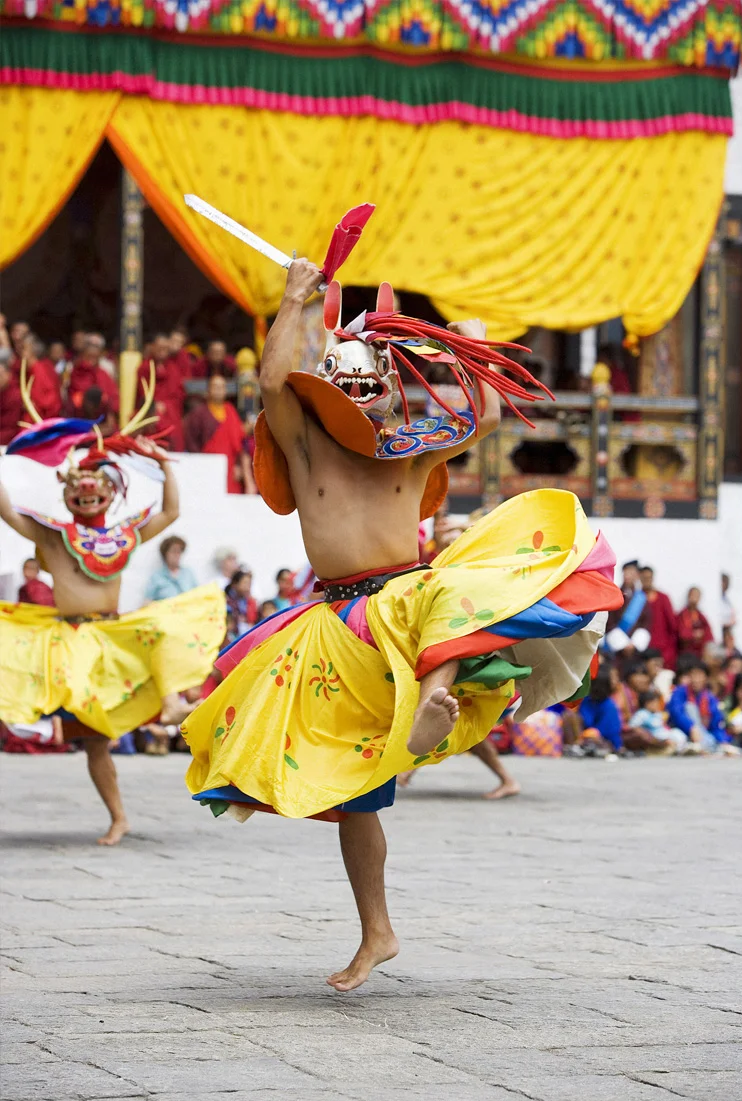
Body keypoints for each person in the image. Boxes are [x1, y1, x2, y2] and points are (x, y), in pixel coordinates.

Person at [181, 249, 621, 991]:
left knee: (448, 588)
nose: (358, 390)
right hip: (334, 622)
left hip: (407, 604)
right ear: (327, 384)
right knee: (357, 801)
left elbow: (482, 415)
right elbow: (268, 383)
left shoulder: (409, 455)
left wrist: (471, 343)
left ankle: (431, 700)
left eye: (370, 379)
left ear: (390, 388)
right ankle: (376, 930)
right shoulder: (307, 441)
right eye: (343, 378)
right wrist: (294, 300)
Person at [0, 431, 224, 844]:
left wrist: (162, 466)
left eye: (95, 489)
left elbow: (170, 512)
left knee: (160, 631)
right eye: (79, 490)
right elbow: (9, 512)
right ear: (68, 493)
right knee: (90, 739)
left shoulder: (124, 534)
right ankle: (64, 747)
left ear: (109, 491)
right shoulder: (53, 535)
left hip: (108, 634)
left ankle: (171, 706)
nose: (87, 496)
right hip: (66, 639)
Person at [184, 373, 252, 493]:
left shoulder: (230, 411)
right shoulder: (199, 413)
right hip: (206, 466)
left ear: (225, 391)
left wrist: (238, 466)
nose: (218, 390)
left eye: (221, 387)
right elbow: (191, 440)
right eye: (215, 387)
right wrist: (198, 464)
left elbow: (238, 443)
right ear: (208, 390)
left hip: (229, 467)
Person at [668, 657, 733, 752]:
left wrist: (723, 741)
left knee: (718, 743)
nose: (695, 679)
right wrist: (691, 727)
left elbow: (716, 724)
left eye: (699, 675)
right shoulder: (679, 692)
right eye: (693, 675)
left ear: (706, 678)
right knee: (689, 709)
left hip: (703, 735)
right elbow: (677, 713)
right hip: (683, 731)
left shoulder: (710, 698)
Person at [64, 337, 119, 418]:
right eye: (89, 356)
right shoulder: (77, 372)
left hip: (102, 417)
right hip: (80, 416)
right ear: (83, 356)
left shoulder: (103, 374)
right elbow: (74, 396)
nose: (92, 360)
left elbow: (112, 397)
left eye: (95, 357)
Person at [638, 566, 679, 669]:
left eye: (649, 577)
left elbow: (672, 625)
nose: (647, 580)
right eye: (644, 578)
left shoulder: (663, 598)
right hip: (642, 648)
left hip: (662, 649)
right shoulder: (636, 599)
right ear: (640, 579)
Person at [627, 689, 684, 754]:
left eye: (657, 702)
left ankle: (682, 748)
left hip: (663, 734)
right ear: (646, 704)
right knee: (672, 739)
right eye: (654, 703)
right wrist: (644, 732)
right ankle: (678, 750)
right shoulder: (641, 714)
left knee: (677, 732)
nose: (656, 705)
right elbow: (632, 726)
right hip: (653, 736)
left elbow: (662, 725)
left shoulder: (657, 714)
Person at [143, 535, 198, 601]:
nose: (177, 555)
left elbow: (198, 594)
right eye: (174, 551)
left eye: (179, 551)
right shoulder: (157, 576)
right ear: (165, 553)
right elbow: (147, 600)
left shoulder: (188, 573)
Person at [676, 585, 714, 664]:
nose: (694, 598)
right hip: (685, 653)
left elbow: (708, 635)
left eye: (697, 596)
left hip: (699, 654)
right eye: (693, 595)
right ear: (688, 596)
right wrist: (694, 635)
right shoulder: (682, 615)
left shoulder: (701, 616)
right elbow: (681, 634)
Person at [223, 569, 256, 640]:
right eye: (245, 583)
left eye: (249, 584)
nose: (248, 587)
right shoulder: (225, 601)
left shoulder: (248, 601)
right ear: (235, 584)